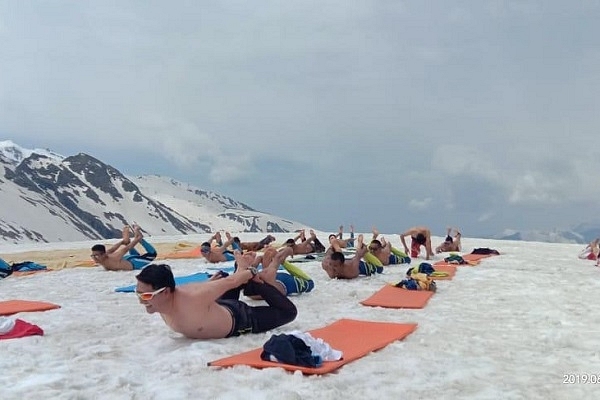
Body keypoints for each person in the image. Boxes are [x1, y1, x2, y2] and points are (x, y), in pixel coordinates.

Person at [134, 250, 298, 339]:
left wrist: (251, 273)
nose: (142, 301)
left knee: (289, 312)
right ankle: (241, 269)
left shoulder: (194, 297)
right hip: (216, 307)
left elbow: (230, 283)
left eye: (146, 296)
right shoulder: (164, 301)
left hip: (240, 319)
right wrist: (209, 283)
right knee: (223, 280)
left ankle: (259, 276)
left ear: (166, 292)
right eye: (139, 294)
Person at [243, 246, 314, 299]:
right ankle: (279, 257)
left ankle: (278, 257)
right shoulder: (269, 276)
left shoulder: (267, 276)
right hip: (282, 283)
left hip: (281, 283)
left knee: (270, 263)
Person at [91, 225, 157, 271]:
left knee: (153, 254)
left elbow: (127, 248)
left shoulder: (114, 257)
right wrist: (122, 242)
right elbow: (113, 249)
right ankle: (128, 240)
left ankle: (139, 237)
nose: (94, 258)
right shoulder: (106, 254)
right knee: (134, 253)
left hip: (134, 263)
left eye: (96, 256)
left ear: (103, 254)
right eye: (93, 256)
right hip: (126, 260)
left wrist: (137, 239)